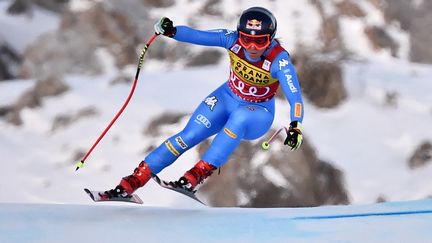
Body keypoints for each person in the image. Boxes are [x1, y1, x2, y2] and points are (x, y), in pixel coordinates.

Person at [102, 6, 304, 199]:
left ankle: (194, 176)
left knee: (240, 117)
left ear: (270, 39)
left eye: (259, 41)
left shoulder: (280, 60)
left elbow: (295, 96)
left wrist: (296, 126)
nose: (252, 47)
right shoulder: (231, 40)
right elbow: (199, 36)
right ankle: (132, 182)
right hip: (227, 98)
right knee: (188, 136)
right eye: (246, 39)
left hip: (257, 113)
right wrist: (172, 31)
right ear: (239, 35)